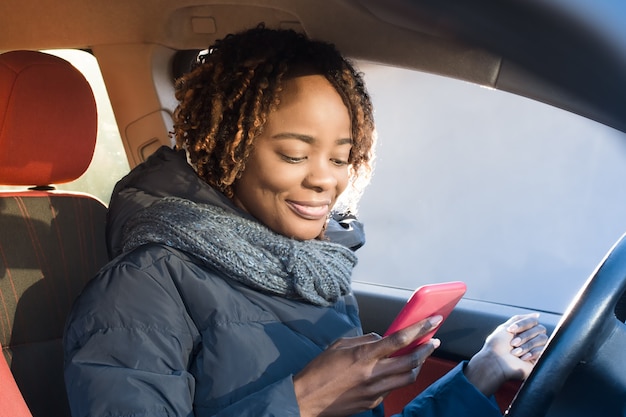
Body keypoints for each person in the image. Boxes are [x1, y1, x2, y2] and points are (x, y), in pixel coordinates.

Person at [63, 25, 547, 417]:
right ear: (224, 150)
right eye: (294, 154)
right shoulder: (142, 287)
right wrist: (305, 398)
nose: (325, 181)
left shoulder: (316, 272)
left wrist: (481, 373)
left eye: (341, 159)